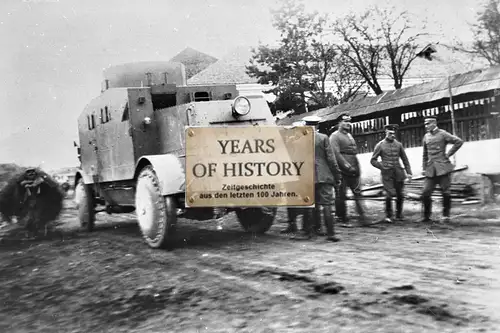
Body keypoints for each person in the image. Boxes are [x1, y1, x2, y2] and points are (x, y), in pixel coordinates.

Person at [293, 115, 342, 242]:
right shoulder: (324, 138)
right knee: (326, 205)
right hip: (324, 175)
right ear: (318, 126)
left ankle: (308, 232)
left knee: (308, 205)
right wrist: (337, 175)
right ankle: (331, 234)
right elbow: (331, 159)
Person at [421, 116, 463, 222]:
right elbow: (425, 154)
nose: (426, 126)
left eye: (428, 124)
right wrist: (424, 167)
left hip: (442, 168)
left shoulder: (443, 134)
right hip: (430, 169)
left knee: (446, 192)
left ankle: (446, 216)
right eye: (425, 124)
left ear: (434, 124)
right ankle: (426, 217)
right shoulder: (426, 137)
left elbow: (458, 141)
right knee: (426, 192)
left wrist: (448, 154)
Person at [329, 113, 368, 226]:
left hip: (354, 169)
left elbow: (353, 153)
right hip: (342, 171)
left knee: (358, 192)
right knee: (341, 195)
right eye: (345, 121)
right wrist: (347, 166)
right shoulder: (335, 136)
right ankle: (341, 218)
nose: (348, 124)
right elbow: (336, 154)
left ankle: (363, 216)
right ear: (339, 123)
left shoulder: (349, 136)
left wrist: (356, 167)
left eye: (349, 122)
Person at [370, 124, 413, 223]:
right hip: (387, 175)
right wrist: (382, 166)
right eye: (390, 133)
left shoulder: (399, 145)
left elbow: (405, 159)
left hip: (398, 173)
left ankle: (399, 215)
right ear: (386, 133)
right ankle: (388, 216)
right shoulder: (380, 145)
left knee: (400, 195)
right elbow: (373, 160)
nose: (392, 135)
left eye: (394, 133)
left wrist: (409, 173)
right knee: (389, 195)